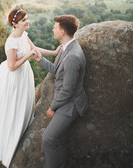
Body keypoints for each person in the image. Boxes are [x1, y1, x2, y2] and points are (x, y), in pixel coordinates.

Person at [0, 7, 60, 167]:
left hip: (23, 76)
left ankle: (20, 130)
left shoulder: (24, 35)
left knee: (23, 107)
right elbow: (12, 66)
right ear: (15, 24)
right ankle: (7, 141)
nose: (27, 21)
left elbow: (34, 49)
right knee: (10, 109)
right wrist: (28, 55)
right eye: (24, 20)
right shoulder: (11, 41)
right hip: (13, 78)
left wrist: (54, 52)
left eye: (27, 18)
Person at [33, 15, 88, 168]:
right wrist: (41, 60)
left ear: (62, 31)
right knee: (60, 140)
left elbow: (68, 90)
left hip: (71, 104)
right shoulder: (67, 48)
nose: (52, 29)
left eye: (55, 27)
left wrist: (53, 107)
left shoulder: (73, 56)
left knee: (48, 139)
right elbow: (59, 71)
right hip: (66, 100)